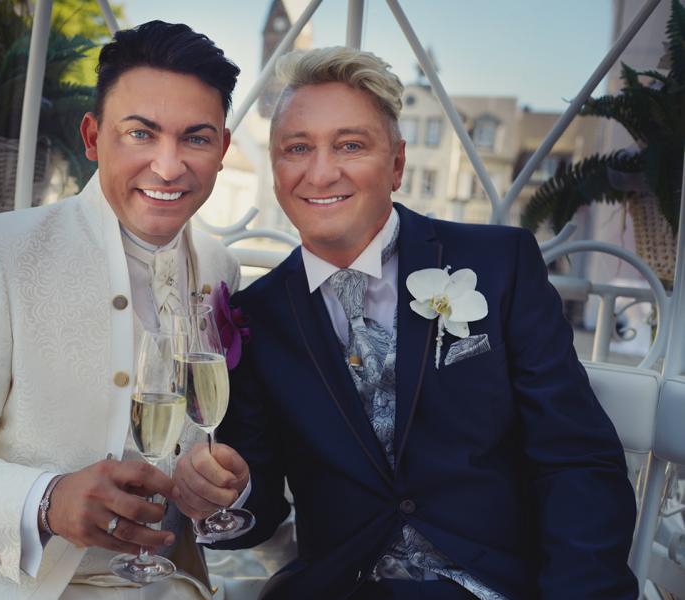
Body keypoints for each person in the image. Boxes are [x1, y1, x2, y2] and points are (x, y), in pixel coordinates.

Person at [174, 46, 638, 599]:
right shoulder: (257, 314)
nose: (321, 172)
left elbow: (575, 458)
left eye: (350, 145)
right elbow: (259, 511)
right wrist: (229, 494)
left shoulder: (500, 264)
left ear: (396, 164)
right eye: (297, 148)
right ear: (276, 171)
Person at [0, 20, 241, 600]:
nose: (168, 166)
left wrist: (204, 482)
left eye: (196, 139)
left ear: (222, 150)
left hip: (163, 585)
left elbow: (185, 438)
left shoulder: (221, 267)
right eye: (140, 134)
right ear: (93, 138)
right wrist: (45, 501)